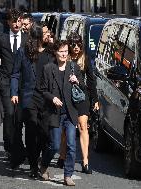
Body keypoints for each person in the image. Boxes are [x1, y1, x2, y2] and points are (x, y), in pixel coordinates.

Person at [11, 24, 54, 178]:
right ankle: (33, 166)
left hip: (46, 98)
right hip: (29, 97)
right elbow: (15, 73)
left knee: (44, 132)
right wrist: (14, 92)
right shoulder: (23, 53)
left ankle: (39, 158)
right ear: (37, 37)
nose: (48, 34)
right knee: (30, 131)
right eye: (46, 33)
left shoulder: (51, 53)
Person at [39, 40, 85, 186]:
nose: (64, 54)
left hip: (70, 113)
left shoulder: (74, 67)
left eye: (66, 51)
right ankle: (44, 165)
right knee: (54, 145)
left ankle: (68, 175)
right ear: (55, 53)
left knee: (71, 145)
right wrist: (52, 98)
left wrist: (77, 81)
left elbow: (83, 87)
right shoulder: (48, 68)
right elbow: (42, 90)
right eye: (61, 51)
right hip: (54, 113)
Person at [0, 8, 28, 168]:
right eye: (14, 21)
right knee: (9, 114)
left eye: (19, 21)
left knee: (19, 117)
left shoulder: (27, 39)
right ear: (8, 22)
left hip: (22, 84)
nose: (17, 24)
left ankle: (16, 147)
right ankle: (10, 146)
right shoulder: (2, 39)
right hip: (5, 82)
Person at [57, 32, 99, 174]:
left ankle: (85, 162)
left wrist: (95, 99)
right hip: (66, 97)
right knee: (65, 128)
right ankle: (62, 156)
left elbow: (92, 81)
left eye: (79, 44)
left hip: (81, 97)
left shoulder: (84, 58)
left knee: (83, 127)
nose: (76, 47)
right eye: (73, 44)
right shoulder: (64, 57)